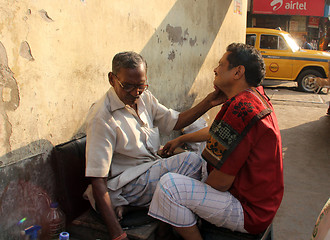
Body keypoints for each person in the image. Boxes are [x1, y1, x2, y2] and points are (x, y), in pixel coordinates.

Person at [84, 51, 227, 240]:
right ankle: (164, 226)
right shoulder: (102, 117)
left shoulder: (144, 98)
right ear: (112, 79)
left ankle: (159, 219)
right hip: (127, 185)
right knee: (192, 163)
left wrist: (209, 101)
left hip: (149, 172)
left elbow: (175, 121)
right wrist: (117, 235)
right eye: (127, 86)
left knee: (196, 167)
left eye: (141, 85)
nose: (136, 92)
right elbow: (98, 181)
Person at [148, 43, 284, 239]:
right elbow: (218, 131)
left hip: (249, 211)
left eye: (221, 64)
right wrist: (182, 140)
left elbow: (219, 183)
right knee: (193, 162)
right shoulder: (254, 97)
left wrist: (194, 200)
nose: (215, 69)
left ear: (237, 72)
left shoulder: (241, 109)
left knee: (169, 187)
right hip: (263, 202)